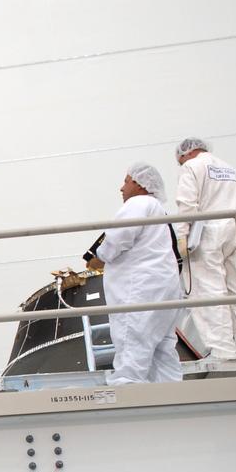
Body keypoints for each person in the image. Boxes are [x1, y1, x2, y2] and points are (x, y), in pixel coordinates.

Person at [87, 163, 184, 384]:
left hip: (141, 291)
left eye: (126, 181)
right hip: (165, 291)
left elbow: (117, 239)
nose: (122, 188)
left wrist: (100, 256)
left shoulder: (139, 203)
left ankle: (126, 397)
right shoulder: (160, 212)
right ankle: (173, 395)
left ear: (140, 184)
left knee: (132, 344)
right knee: (162, 350)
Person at [174, 138, 236, 360]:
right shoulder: (234, 171)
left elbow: (187, 205)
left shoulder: (192, 167)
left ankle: (223, 352)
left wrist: (182, 236)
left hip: (210, 233)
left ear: (185, 155)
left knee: (211, 292)